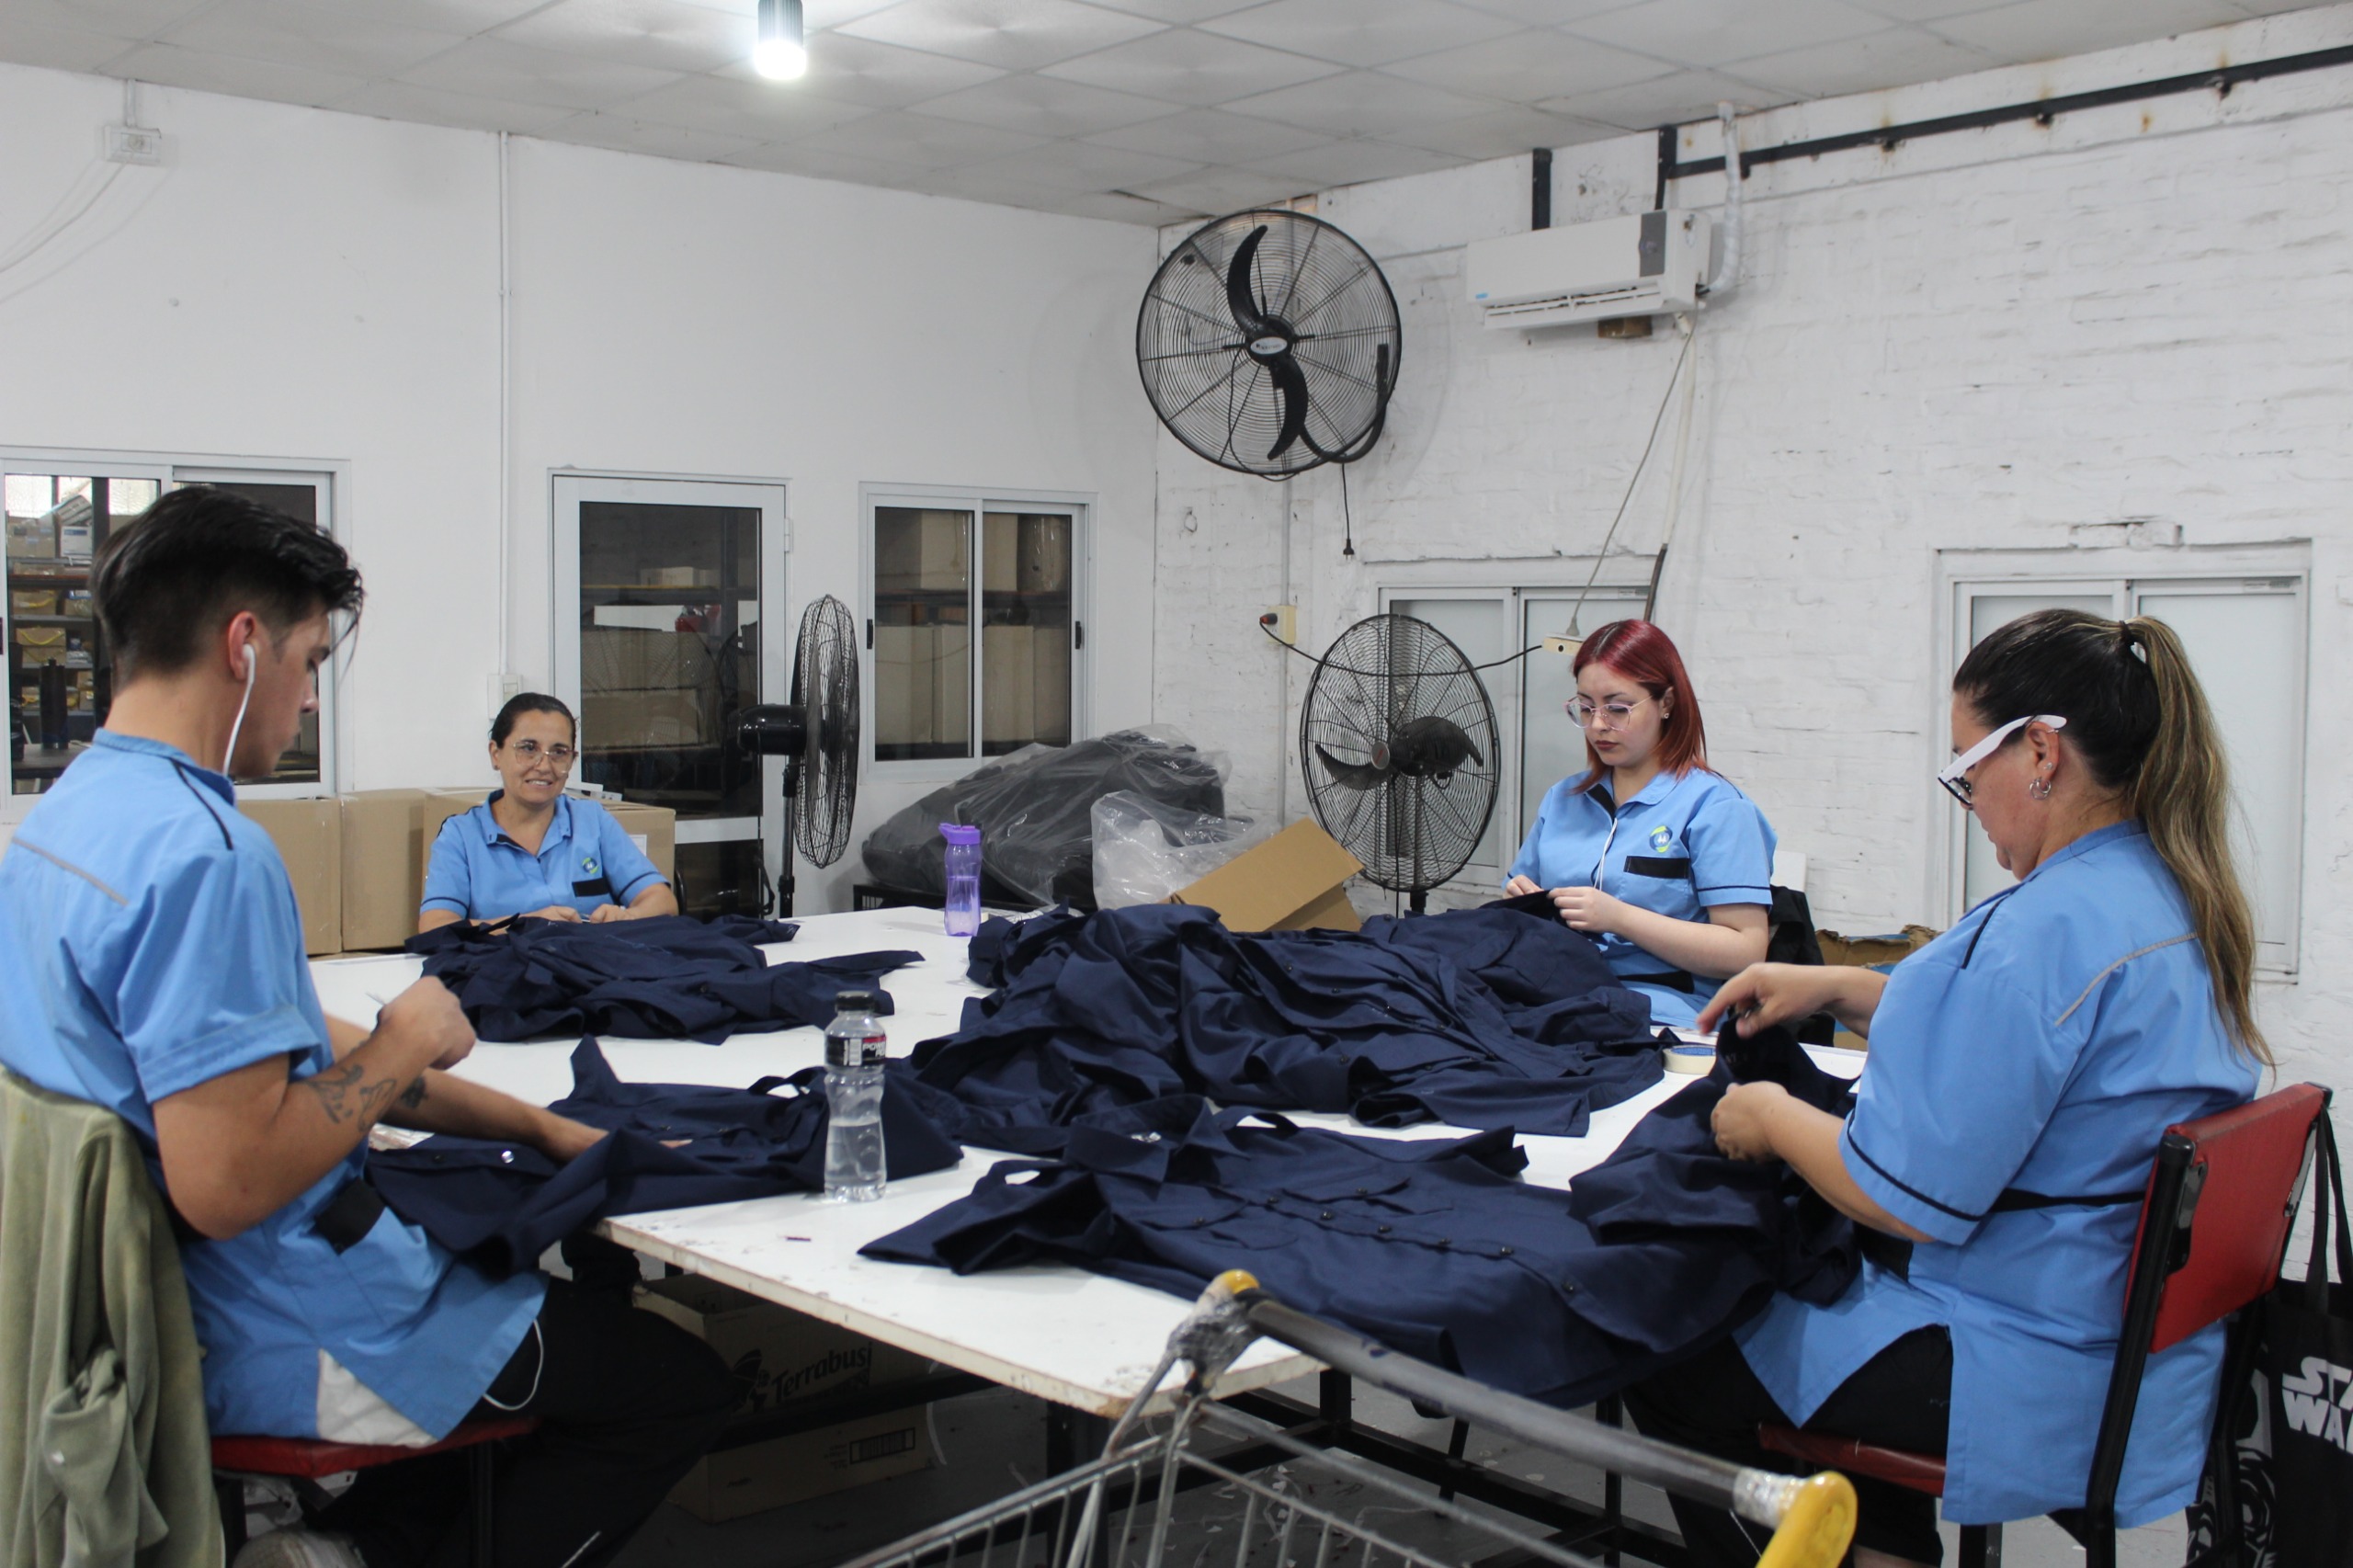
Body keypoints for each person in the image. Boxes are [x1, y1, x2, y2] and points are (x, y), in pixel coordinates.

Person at [0, 488, 736, 1568]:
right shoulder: (209, 855)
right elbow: (228, 1178)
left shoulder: (64, 820)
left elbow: (293, 1056)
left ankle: (348, 1547)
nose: (307, 699)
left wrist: (537, 1127)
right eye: (308, 661)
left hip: (146, 1308)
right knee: (675, 1385)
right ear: (242, 646)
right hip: (290, 1323)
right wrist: (407, 1040)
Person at [1621, 609, 2268, 1566]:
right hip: (2137, 1347)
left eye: (1967, 768)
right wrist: (1841, 988)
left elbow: (1898, 1195)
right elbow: (2030, 1050)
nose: (1967, 798)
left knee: (1664, 1335)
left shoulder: (2039, 933)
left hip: (2022, 1356)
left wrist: (1767, 1114)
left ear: (2040, 752)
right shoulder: (2169, 893)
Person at [1503, 619, 1775, 1029]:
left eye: (1618, 708)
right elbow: (1520, 897)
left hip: (1661, 1012)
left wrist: (1619, 918)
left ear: (1666, 703)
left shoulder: (1715, 808)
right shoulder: (1564, 799)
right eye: (1586, 707)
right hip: (1554, 994)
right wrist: (1523, 902)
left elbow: (1746, 951)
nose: (1598, 725)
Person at [418, 693, 677, 931]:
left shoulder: (592, 820)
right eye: (528, 749)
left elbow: (662, 902)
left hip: (591, 962)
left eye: (558, 752)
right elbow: (434, 927)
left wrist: (627, 917)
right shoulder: (461, 836)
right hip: (503, 965)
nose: (544, 766)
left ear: (572, 760)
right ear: (495, 754)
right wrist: (527, 925)